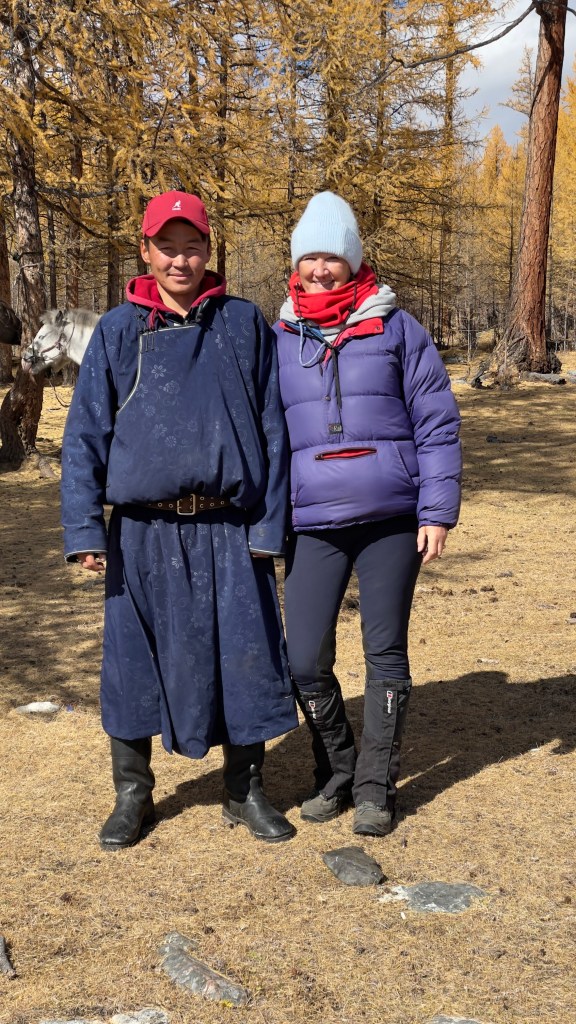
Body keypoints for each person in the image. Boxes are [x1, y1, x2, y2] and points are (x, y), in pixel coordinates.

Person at [61, 190, 298, 849]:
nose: (180, 260)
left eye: (192, 246)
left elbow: (274, 430)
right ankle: (132, 794)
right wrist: (84, 528)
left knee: (245, 657)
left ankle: (245, 791)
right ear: (146, 251)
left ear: (208, 250)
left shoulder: (243, 324)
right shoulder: (118, 331)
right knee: (132, 664)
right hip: (142, 532)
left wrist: (269, 527)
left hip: (230, 530)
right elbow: (85, 435)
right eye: (167, 247)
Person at [274, 192, 462, 837]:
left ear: (353, 261)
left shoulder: (398, 328)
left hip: (391, 516)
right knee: (303, 659)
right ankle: (339, 769)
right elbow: (263, 434)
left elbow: (436, 423)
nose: (321, 269)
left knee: (385, 652)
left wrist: (436, 511)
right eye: (310, 257)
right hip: (312, 520)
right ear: (296, 265)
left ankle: (377, 786)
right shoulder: (279, 338)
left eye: (332, 257)